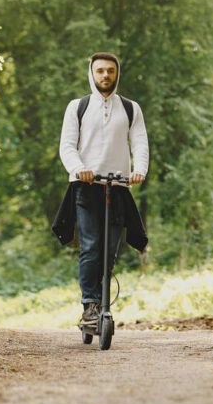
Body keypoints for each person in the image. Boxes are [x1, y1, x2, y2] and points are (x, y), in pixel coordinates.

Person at [57, 51, 149, 327]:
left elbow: (140, 143)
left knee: (110, 249)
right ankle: (90, 306)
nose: (105, 76)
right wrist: (79, 168)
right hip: (86, 186)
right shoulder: (78, 106)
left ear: (117, 74)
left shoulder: (131, 108)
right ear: (92, 73)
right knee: (91, 246)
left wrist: (139, 170)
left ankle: (102, 303)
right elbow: (67, 146)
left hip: (118, 186)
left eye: (110, 71)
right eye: (100, 71)